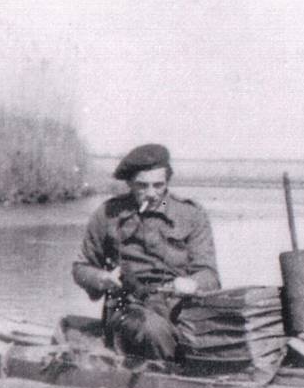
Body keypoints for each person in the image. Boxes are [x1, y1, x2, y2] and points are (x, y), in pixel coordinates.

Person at [71, 143, 220, 360]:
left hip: (179, 307)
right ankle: (173, 378)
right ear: (130, 183)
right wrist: (102, 279)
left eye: (158, 185)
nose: (151, 194)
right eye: (142, 186)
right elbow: (81, 268)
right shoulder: (108, 214)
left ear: (168, 181)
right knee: (151, 329)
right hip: (126, 308)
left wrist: (192, 283)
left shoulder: (191, 215)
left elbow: (210, 276)